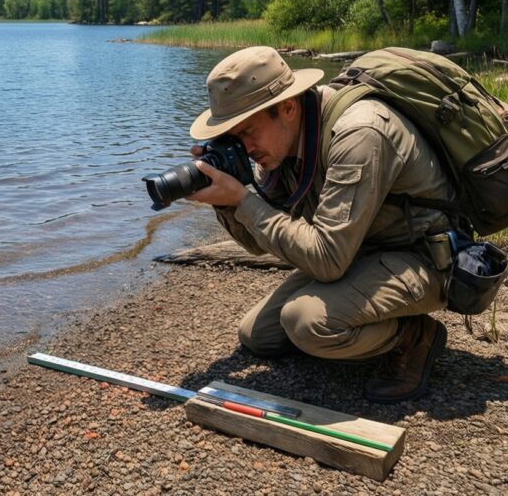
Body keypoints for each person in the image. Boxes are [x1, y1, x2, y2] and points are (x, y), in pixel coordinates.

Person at [185, 46, 453, 404]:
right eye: (234, 137)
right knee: (258, 336)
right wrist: (224, 199)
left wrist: (243, 200)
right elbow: (258, 243)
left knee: (306, 323)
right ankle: (355, 324)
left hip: (423, 257)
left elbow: (327, 261)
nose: (245, 147)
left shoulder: (359, 133)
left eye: (248, 132)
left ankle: (413, 335)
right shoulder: (282, 143)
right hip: (361, 251)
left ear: (288, 107)